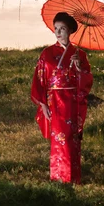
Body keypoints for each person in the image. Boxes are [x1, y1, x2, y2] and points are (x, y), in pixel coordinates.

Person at [31, 12, 93, 184]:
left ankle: (73, 178)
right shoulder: (47, 53)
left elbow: (87, 80)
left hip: (72, 102)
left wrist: (79, 68)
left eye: (62, 29)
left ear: (70, 31)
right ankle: (59, 178)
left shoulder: (79, 55)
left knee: (72, 139)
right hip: (55, 102)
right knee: (59, 139)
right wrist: (43, 105)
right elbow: (40, 79)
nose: (58, 32)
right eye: (56, 28)